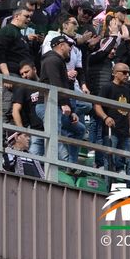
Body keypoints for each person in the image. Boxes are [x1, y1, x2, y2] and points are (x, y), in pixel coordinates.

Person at [38, 35, 88, 166]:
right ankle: (65, 164)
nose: (70, 49)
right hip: (48, 103)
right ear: (61, 46)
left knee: (79, 129)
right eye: (68, 46)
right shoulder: (52, 60)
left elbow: (62, 86)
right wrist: (64, 104)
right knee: (54, 134)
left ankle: (70, 163)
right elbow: (55, 83)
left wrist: (71, 111)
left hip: (58, 104)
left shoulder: (57, 61)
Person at [94, 62, 130, 175]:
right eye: (124, 72)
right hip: (111, 130)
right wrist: (105, 117)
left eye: (128, 73)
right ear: (115, 73)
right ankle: (108, 187)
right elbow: (97, 105)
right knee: (109, 160)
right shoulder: (107, 87)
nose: (127, 75)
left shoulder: (127, 90)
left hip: (125, 131)